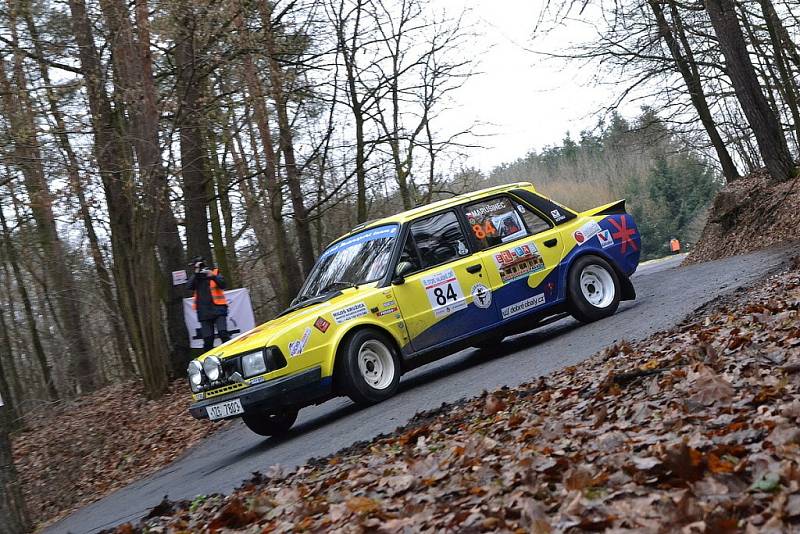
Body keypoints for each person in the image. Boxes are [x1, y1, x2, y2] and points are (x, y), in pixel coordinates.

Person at [187, 257, 230, 350]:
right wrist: (196, 272)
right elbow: (189, 286)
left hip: (218, 309)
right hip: (203, 311)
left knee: (223, 334)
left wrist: (213, 276)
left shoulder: (214, 272)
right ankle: (208, 362)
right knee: (208, 340)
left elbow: (223, 285)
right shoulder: (196, 277)